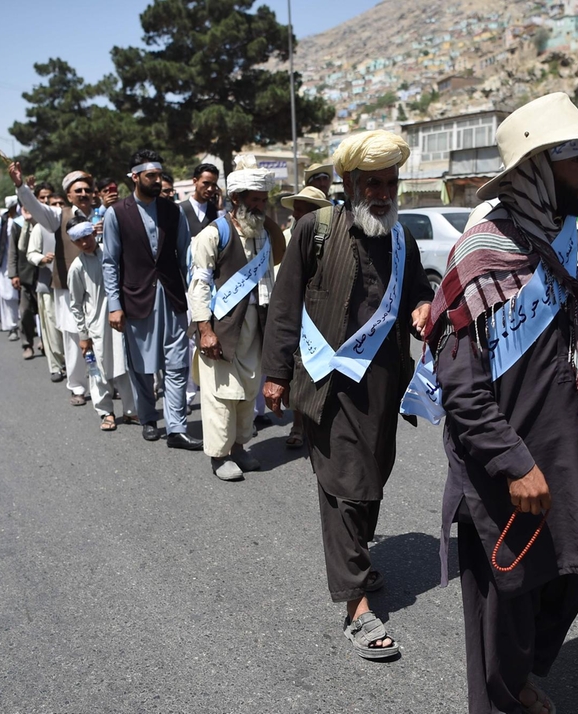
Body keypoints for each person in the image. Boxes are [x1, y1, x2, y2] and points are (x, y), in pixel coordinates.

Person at [418, 93, 578, 714]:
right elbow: (460, 387)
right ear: (539, 167)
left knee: (573, 570)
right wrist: (514, 463)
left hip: (567, 451)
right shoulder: (480, 255)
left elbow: (571, 345)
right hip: (505, 470)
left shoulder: (556, 240)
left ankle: (519, 680)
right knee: (502, 605)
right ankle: (503, 697)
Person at [261, 130, 433, 660]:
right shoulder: (315, 229)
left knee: (372, 478)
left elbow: (416, 295)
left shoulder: (401, 239)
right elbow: (285, 306)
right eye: (371, 183)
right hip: (328, 382)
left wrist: (424, 308)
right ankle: (355, 603)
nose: (382, 193)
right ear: (349, 183)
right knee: (344, 486)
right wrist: (276, 373)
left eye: (390, 183)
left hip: (383, 386)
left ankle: (355, 556)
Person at [188, 155, 284, 480]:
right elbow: (199, 285)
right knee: (220, 395)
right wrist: (205, 329)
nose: (259, 206)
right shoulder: (214, 235)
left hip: (255, 327)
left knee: (247, 390)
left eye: (263, 200)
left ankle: (240, 447)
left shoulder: (262, 232)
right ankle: (218, 456)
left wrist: (265, 216)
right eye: (253, 200)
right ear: (235, 199)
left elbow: (280, 256)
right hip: (223, 329)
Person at [101, 150, 202, 450]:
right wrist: (115, 305)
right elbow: (110, 262)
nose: (158, 181)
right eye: (151, 176)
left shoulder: (173, 211)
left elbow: (186, 257)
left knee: (177, 363)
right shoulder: (116, 213)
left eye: (159, 175)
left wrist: (196, 301)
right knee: (143, 367)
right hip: (136, 299)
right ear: (135, 177)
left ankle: (176, 428)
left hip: (172, 298)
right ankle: (147, 418)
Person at [10, 164, 96, 407]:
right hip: (69, 289)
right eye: (77, 190)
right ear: (68, 195)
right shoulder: (59, 217)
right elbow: (36, 207)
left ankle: (106, 384)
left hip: (100, 291)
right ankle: (78, 386)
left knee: (103, 337)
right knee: (73, 337)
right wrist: (21, 186)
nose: (83, 194)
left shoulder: (102, 216)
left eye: (87, 190)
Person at [66, 217, 139, 431]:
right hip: (96, 326)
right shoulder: (77, 268)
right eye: (79, 239)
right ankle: (105, 411)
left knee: (124, 366)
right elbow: (76, 305)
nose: (85, 242)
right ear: (74, 242)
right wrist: (83, 335)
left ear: (93, 233)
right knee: (98, 369)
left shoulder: (111, 253)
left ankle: (131, 410)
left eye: (87, 236)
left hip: (122, 320)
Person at [276, 185, 332, 449]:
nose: (299, 214)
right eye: (297, 209)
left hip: (321, 313)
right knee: (297, 370)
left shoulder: (331, 235)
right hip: (293, 310)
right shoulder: (288, 234)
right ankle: (298, 423)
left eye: (306, 209)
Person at [27, 184, 68, 383]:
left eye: (61, 203)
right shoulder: (40, 227)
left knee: (69, 327)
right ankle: (56, 366)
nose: (58, 206)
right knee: (51, 327)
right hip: (47, 284)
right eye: (54, 204)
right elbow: (31, 253)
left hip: (70, 286)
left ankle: (72, 362)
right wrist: (43, 259)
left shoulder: (71, 223)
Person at [8, 197, 38, 360]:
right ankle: (27, 344)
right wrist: (13, 274)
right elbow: (13, 251)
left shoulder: (43, 221)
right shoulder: (17, 224)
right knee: (25, 311)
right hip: (25, 274)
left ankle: (46, 343)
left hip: (43, 275)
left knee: (45, 313)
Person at [0, 198, 22, 343]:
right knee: (9, 295)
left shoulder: (22, 218)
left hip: (22, 260)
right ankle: (12, 326)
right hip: (6, 263)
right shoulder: (0, 221)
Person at [180, 163, 221, 239]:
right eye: (206, 183)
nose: (210, 189)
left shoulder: (215, 210)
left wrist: (220, 208)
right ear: (195, 181)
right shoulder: (180, 209)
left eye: (213, 185)